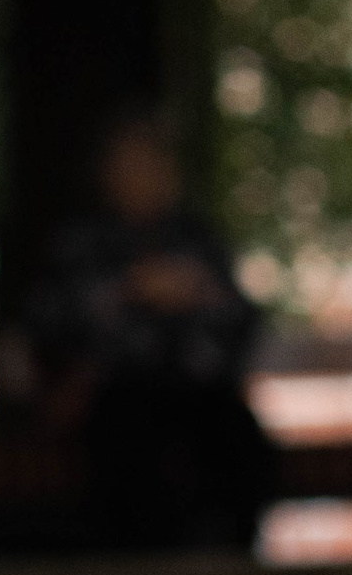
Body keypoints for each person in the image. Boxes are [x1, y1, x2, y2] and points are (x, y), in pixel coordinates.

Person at [25, 111, 272, 550]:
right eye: (132, 163)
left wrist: (198, 298)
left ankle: (232, 559)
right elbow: (49, 328)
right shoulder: (80, 243)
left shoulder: (197, 238)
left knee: (239, 439)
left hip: (198, 395)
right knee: (128, 444)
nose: (146, 174)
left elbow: (243, 322)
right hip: (113, 397)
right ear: (105, 172)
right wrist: (128, 291)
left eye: (154, 161)